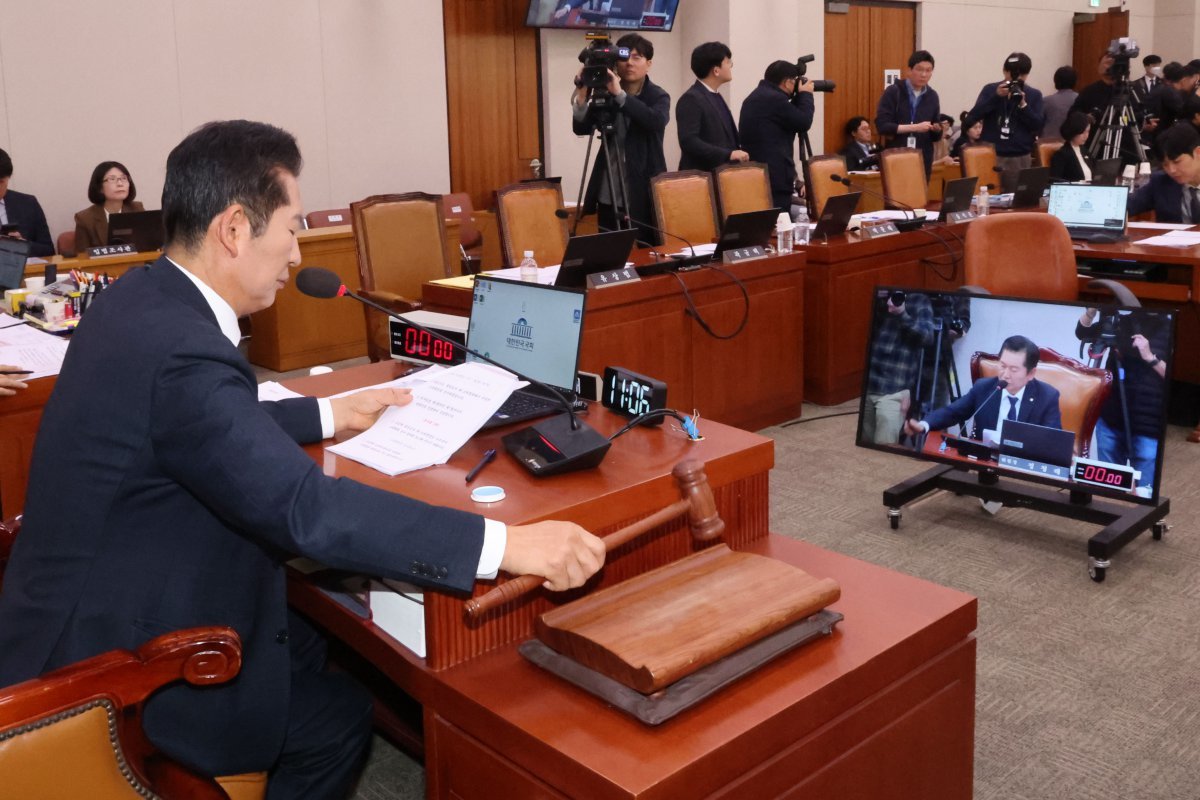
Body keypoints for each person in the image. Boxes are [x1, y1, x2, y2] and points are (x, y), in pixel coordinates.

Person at [0, 120, 606, 799]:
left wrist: (327, 412)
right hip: (120, 673)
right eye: (290, 228)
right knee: (340, 713)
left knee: (319, 639)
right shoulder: (183, 352)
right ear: (234, 229)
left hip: (75, 606)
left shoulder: (140, 299)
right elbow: (305, 510)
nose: (295, 253)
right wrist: (510, 544)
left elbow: (192, 422)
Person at [571, 33, 669, 244]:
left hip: (643, 190)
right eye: (624, 58)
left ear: (648, 64)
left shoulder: (658, 96)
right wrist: (582, 95)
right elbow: (581, 128)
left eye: (637, 58)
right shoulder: (603, 93)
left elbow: (654, 122)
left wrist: (620, 95)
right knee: (609, 254)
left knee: (646, 253)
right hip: (609, 191)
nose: (629, 63)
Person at [1075, 307, 1169, 497]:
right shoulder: (1121, 322)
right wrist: (1091, 312)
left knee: (1144, 492)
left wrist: (1150, 357)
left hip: (1148, 424)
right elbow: (1082, 332)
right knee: (1109, 489)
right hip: (1111, 417)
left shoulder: (1169, 327)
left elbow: (1171, 377)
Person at [904, 335, 1062, 440]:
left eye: (1013, 370)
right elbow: (953, 412)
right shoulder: (985, 388)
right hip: (984, 465)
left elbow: (1053, 440)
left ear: (1031, 373)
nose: (1005, 375)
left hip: (1022, 469)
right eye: (1002, 366)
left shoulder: (1047, 397)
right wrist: (924, 425)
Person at [738, 60, 815, 213]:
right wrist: (806, 95)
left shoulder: (754, 97)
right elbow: (803, 122)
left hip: (756, 174)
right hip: (776, 177)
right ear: (787, 83)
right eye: (794, 82)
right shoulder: (775, 100)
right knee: (778, 226)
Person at [965, 53, 1045, 193]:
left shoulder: (1034, 94)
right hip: (990, 156)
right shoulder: (990, 90)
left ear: (1026, 75)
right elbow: (971, 118)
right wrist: (995, 97)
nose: (1014, 80)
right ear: (1004, 71)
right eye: (1011, 74)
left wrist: (1023, 105)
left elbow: (1037, 125)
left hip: (1019, 158)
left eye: (1020, 76)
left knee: (1017, 204)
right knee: (987, 200)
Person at [861, 291, 933, 445]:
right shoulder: (881, 296)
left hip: (893, 391)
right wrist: (878, 300)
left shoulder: (919, 300)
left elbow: (927, 337)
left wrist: (902, 314)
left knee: (884, 450)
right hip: (868, 385)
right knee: (863, 447)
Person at [676, 41, 748, 171]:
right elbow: (689, 141)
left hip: (723, 176)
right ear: (716, 70)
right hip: (702, 178)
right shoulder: (692, 98)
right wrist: (728, 154)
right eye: (727, 62)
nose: (731, 66)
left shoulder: (715, 95)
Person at [875, 50, 942, 177]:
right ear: (909, 70)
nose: (924, 74)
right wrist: (915, 127)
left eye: (928, 70)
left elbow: (935, 135)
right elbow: (882, 126)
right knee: (896, 196)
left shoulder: (932, 96)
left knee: (919, 196)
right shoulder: (894, 92)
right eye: (919, 69)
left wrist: (937, 130)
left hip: (923, 158)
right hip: (897, 156)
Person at [1128, 122, 1200, 223]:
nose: (1171, 170)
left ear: (1198, 153)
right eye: (1165, 164)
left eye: (1177, 162)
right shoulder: (1161, 182)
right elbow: (1126, 206)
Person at [73, 161, 146, 253]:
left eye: (124, 178)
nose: (120, 183)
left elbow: (148, 246)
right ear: (100, 187)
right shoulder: (85, 219)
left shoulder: (137, 209)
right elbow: (82, 257)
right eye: (112, 179)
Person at [0, 148, 54, 257]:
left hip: (24, 271)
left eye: (1, 182)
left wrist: (23, 245)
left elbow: (49, 250)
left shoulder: (28, 204)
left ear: (8, 178)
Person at [1143, 62, 1200, 155]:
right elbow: (1185, 113)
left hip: (1154, 136)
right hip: (1159, 138)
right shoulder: (1168, 91)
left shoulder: (1160, 88)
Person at [1049, 112, 1093, 182]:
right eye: (1083, 132)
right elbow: (1055, 181)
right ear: (1074, 131)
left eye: (1088, 131)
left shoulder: (1085, 151)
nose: (1086, 136)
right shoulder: (1061, 155)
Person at [1042, 66, 1079, 140]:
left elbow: (1037, 125)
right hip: (1072, 144)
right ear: (1075, 81)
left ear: (1056, 81)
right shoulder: (1080, 99)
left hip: (1048, 145)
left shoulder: (1046, 101)